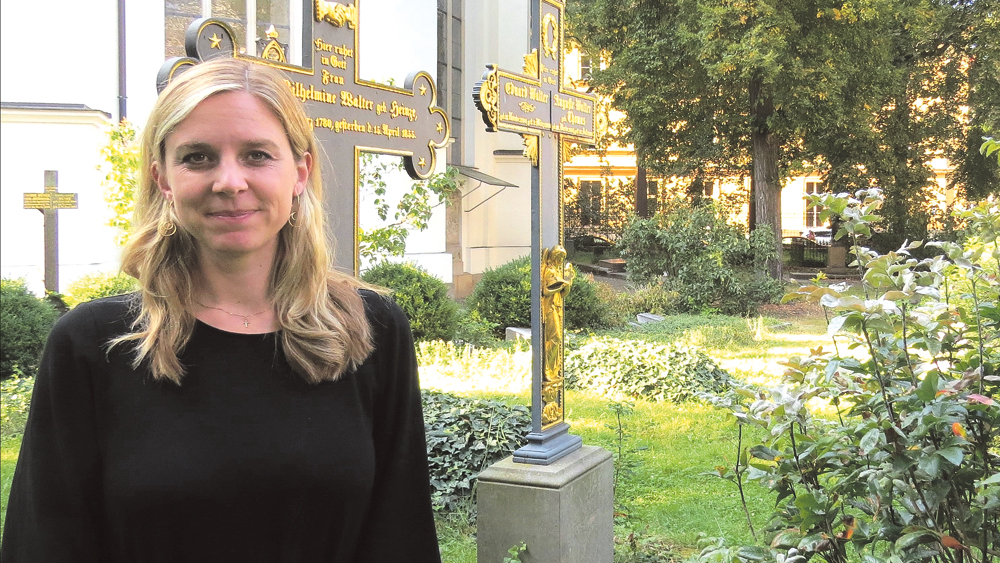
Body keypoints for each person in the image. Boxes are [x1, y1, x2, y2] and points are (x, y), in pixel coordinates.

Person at [1, 57, 441, 563]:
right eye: (198, 157)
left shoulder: (370, 328)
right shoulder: (92, 344)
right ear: (163, 179)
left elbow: (400, 532)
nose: (229, 181)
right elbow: (46, 544)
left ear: (300, 172)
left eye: (256, 155)